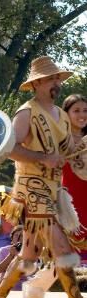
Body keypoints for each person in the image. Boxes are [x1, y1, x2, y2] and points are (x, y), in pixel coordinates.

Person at [0, 56, 87, 298]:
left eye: (58, 79)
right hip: (31, 190)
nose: (58, 83)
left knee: (30, 255)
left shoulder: (61, 116)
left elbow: (67, 152)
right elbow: (10, 149)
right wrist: (42, 157)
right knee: (62, 247)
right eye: (53, 79)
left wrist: (78, 151)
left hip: (53, 191)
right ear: (38, 83)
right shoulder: (26, 112)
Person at [61, 94, 87, 263]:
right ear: (66, 114)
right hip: (67, 203)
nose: (82, 115)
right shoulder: (58, 140)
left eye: (85, 110)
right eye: (76, 110)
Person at [0, 225, 27, 290]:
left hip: (27, 286)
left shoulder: (29, 251)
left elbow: (34, 271)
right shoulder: (3, 250)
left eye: (22, 235)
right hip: (8, 287)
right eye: (16, 235)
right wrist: (10, 255)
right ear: (12, 237)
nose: (19, 238)